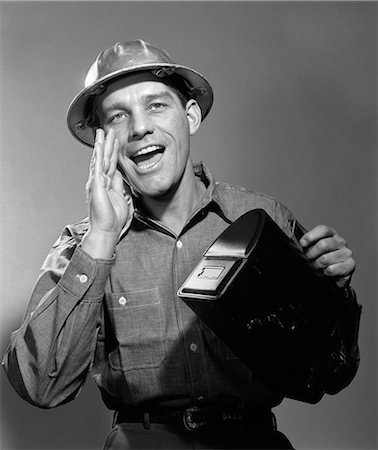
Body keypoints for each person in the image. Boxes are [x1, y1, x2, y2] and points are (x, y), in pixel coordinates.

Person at [2, 39, 361, 449]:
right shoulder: (83, 246)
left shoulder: (263, 221)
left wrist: (331, 295)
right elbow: (41, 387)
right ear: (102, 141)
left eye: (156, 106)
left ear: (189, 116)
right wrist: (101, 238)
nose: (139, 128)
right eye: (118, 117)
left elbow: (331, 375)